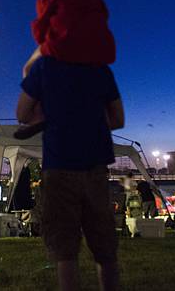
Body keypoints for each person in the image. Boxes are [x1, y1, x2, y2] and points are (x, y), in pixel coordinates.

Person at [16, 44, 125, 291]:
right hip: (96, 166)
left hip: (59, 166)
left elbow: (22, 113)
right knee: (105, 249)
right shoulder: (100, 69)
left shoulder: (43, 67)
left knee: (65, 251)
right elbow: (118, 119)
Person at [15, 0, 116, 140]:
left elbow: (41, 28)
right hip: (94, 48)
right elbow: (103, 20)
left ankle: (39, 116)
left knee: (28, 67)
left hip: (62, 45)